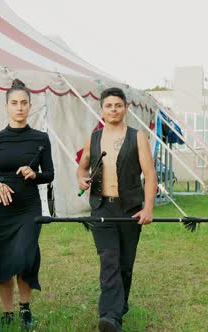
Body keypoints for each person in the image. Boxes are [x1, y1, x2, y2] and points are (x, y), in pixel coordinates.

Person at [0, 79, 54, 329]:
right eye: (14, 103)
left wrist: (35, 174)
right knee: (1, 258)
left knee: (25, 256)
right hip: (2, 208)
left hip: (29, 207)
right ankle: (7, 312)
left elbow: (50, 174)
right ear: (6, 106)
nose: (19, 107)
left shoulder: (40, 138)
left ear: (30, 106)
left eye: (23, 103)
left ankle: (25, 308)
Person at [77, 87, 156, 332]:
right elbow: (82, 168)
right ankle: (110, 317)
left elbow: (150, 176)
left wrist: (148, 209)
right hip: (102, 208)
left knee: (125, 264)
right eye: (109, 106)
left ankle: (118, 307)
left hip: (130, 209)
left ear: (126, 108)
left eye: (118, 105)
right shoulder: (94, 138)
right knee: (109, 260)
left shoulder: (137, 137)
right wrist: (81, 179)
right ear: (102, 110)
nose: (114, 110)